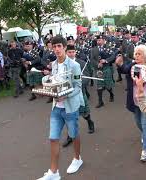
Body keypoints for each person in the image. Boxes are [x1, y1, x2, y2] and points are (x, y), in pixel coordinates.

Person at [36, 36, 84, 180]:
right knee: (53, 138)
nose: (56, 49)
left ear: (64, 47)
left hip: (70, 107)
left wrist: (66, 96)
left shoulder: (74, 65)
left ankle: (77, 159)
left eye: (58, 46)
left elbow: (78, 87)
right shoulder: (54, 64)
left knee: (74, 134)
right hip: (56, 107)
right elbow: (55, 82)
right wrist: (48, 83)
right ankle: (54, 172)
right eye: (53, 47)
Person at [116, 44, 146, 162]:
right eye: (135, 53)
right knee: (138, 122)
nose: (136, 55)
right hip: (134, 100)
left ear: (145, 56)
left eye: (139, 53)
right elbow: (123, 70)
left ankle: (145, 150)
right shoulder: (132, 65)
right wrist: (119, 64)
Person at [61, 44, 95, 148]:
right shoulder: (62, 64)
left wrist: (79, 81)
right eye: (69, 52)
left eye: (73, 52)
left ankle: (90, 122)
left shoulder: (81, 63)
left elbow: (86, 78)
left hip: (79, 93)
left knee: (84, 112)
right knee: (68, 116)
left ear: (75, 52)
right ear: (66, 53)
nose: (71, 54)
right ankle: (70, 136)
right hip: (66, 94)